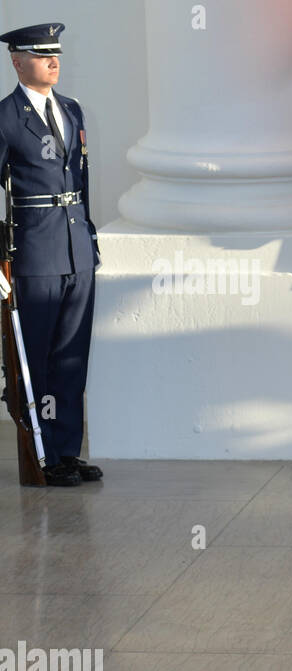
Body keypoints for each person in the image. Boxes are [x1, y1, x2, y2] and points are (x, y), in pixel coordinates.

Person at [0, 23, 100, 486]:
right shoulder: (5, 117)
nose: (52, 61)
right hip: (35, 254)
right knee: (34, 359)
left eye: (55, 53)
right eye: (41, 55)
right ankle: (41, 455)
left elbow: (79, 181)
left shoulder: (73, 110)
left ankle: (65, 450)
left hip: (77, 249)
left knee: (71, 357)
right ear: (17, 62)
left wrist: (89, 240)